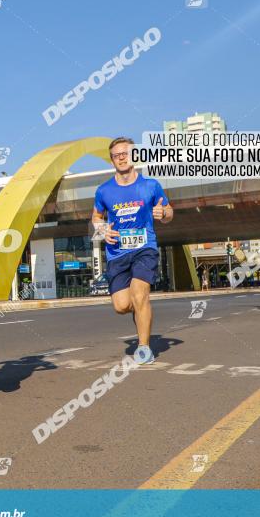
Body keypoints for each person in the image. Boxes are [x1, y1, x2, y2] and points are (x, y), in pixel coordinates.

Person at [91, 137, 173, 364]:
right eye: (116, 155)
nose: (121, 157)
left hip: (144, 248)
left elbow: (168, 212)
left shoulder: (150, 185)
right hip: (117, 253)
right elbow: (96, 217)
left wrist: (163, 214)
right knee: (121, 306)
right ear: (112, 160)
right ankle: (141, 308)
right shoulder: (104, 191)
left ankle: (144, 348)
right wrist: (103, 230)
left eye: (125, 153)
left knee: (139, 293)